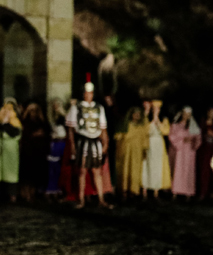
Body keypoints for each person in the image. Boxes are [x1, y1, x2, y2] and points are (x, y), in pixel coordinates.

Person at [66, 78, 111, 209]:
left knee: (97, 171)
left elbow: (103, 128)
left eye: (90, 93)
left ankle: (101, 199)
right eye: (86, 92)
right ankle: (81, 200)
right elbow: (71, 129)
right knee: (82, 170)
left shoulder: (99, 107)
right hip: (83, 141)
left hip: (95, 142)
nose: (88, 95)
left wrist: (105, 143)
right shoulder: (76, 108)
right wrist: (73, 145)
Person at [140, 100, 171, 199]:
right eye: (154, 108)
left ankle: (156, 191)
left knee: (158, 167)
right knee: (146, 166)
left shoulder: (164, 120)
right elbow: (144, 130)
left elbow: (166, 131)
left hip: (158, 145)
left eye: (158, 108)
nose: (156, 110)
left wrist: (157, 121)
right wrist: (151, 119)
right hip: (149, 144)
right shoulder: (146, 120)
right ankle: (145, 190)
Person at [115, 107, 148, 200]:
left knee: (136, 170)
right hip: (127, 151)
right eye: (135, 114)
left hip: (137, 152)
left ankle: (134, 191)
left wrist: (145, 150)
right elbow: (118, 136)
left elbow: (144, 138)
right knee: (126, 169)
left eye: (138, 114)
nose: (137, 116)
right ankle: (124, 190)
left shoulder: (141, 126)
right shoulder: (126, 125)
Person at [169, 107, 201, 200]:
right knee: (177, 169)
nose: (186, 116)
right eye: (184, 114)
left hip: (189, 152)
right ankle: (175, 191)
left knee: (188, 171)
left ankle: (188, 192)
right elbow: (172, 136)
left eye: (188, 115)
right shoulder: (175, 125)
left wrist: (193, 142)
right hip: (179, 151)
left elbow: (198, 139)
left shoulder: (193, 127)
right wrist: (182, 140)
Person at [18, 103, 48, 203]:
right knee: (26, 174)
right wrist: (34, 134)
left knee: (35, 174)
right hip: (27, 151)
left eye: (35, 111)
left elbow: (46, 131)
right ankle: (25, 194)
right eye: (31, 111)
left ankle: (32, 193)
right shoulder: (25, 122)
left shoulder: (41, 121)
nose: (33, 113)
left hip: (37, 152)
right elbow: (24, 133)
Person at [0, 98, 22, 202]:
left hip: (11, 150)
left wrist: (6, 124)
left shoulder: (16, 123)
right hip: (1, 149)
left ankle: (12, 194)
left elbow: (14, 133)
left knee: (11, 172)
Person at [196, 108, 213, 201]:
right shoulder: (202, 123)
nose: (211, 114)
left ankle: (212, 193)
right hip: (203, 150)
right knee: (203, 171)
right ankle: (202, 192)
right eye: (210, 112)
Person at [46, 100, 67, 201]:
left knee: (61, 168)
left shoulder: (64, 117)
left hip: (62, 143)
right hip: (54, 144)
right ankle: (52, 189)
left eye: (57, 105)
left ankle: (60, 189)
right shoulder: (50, 118)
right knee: (53, 168)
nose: (56, 107)